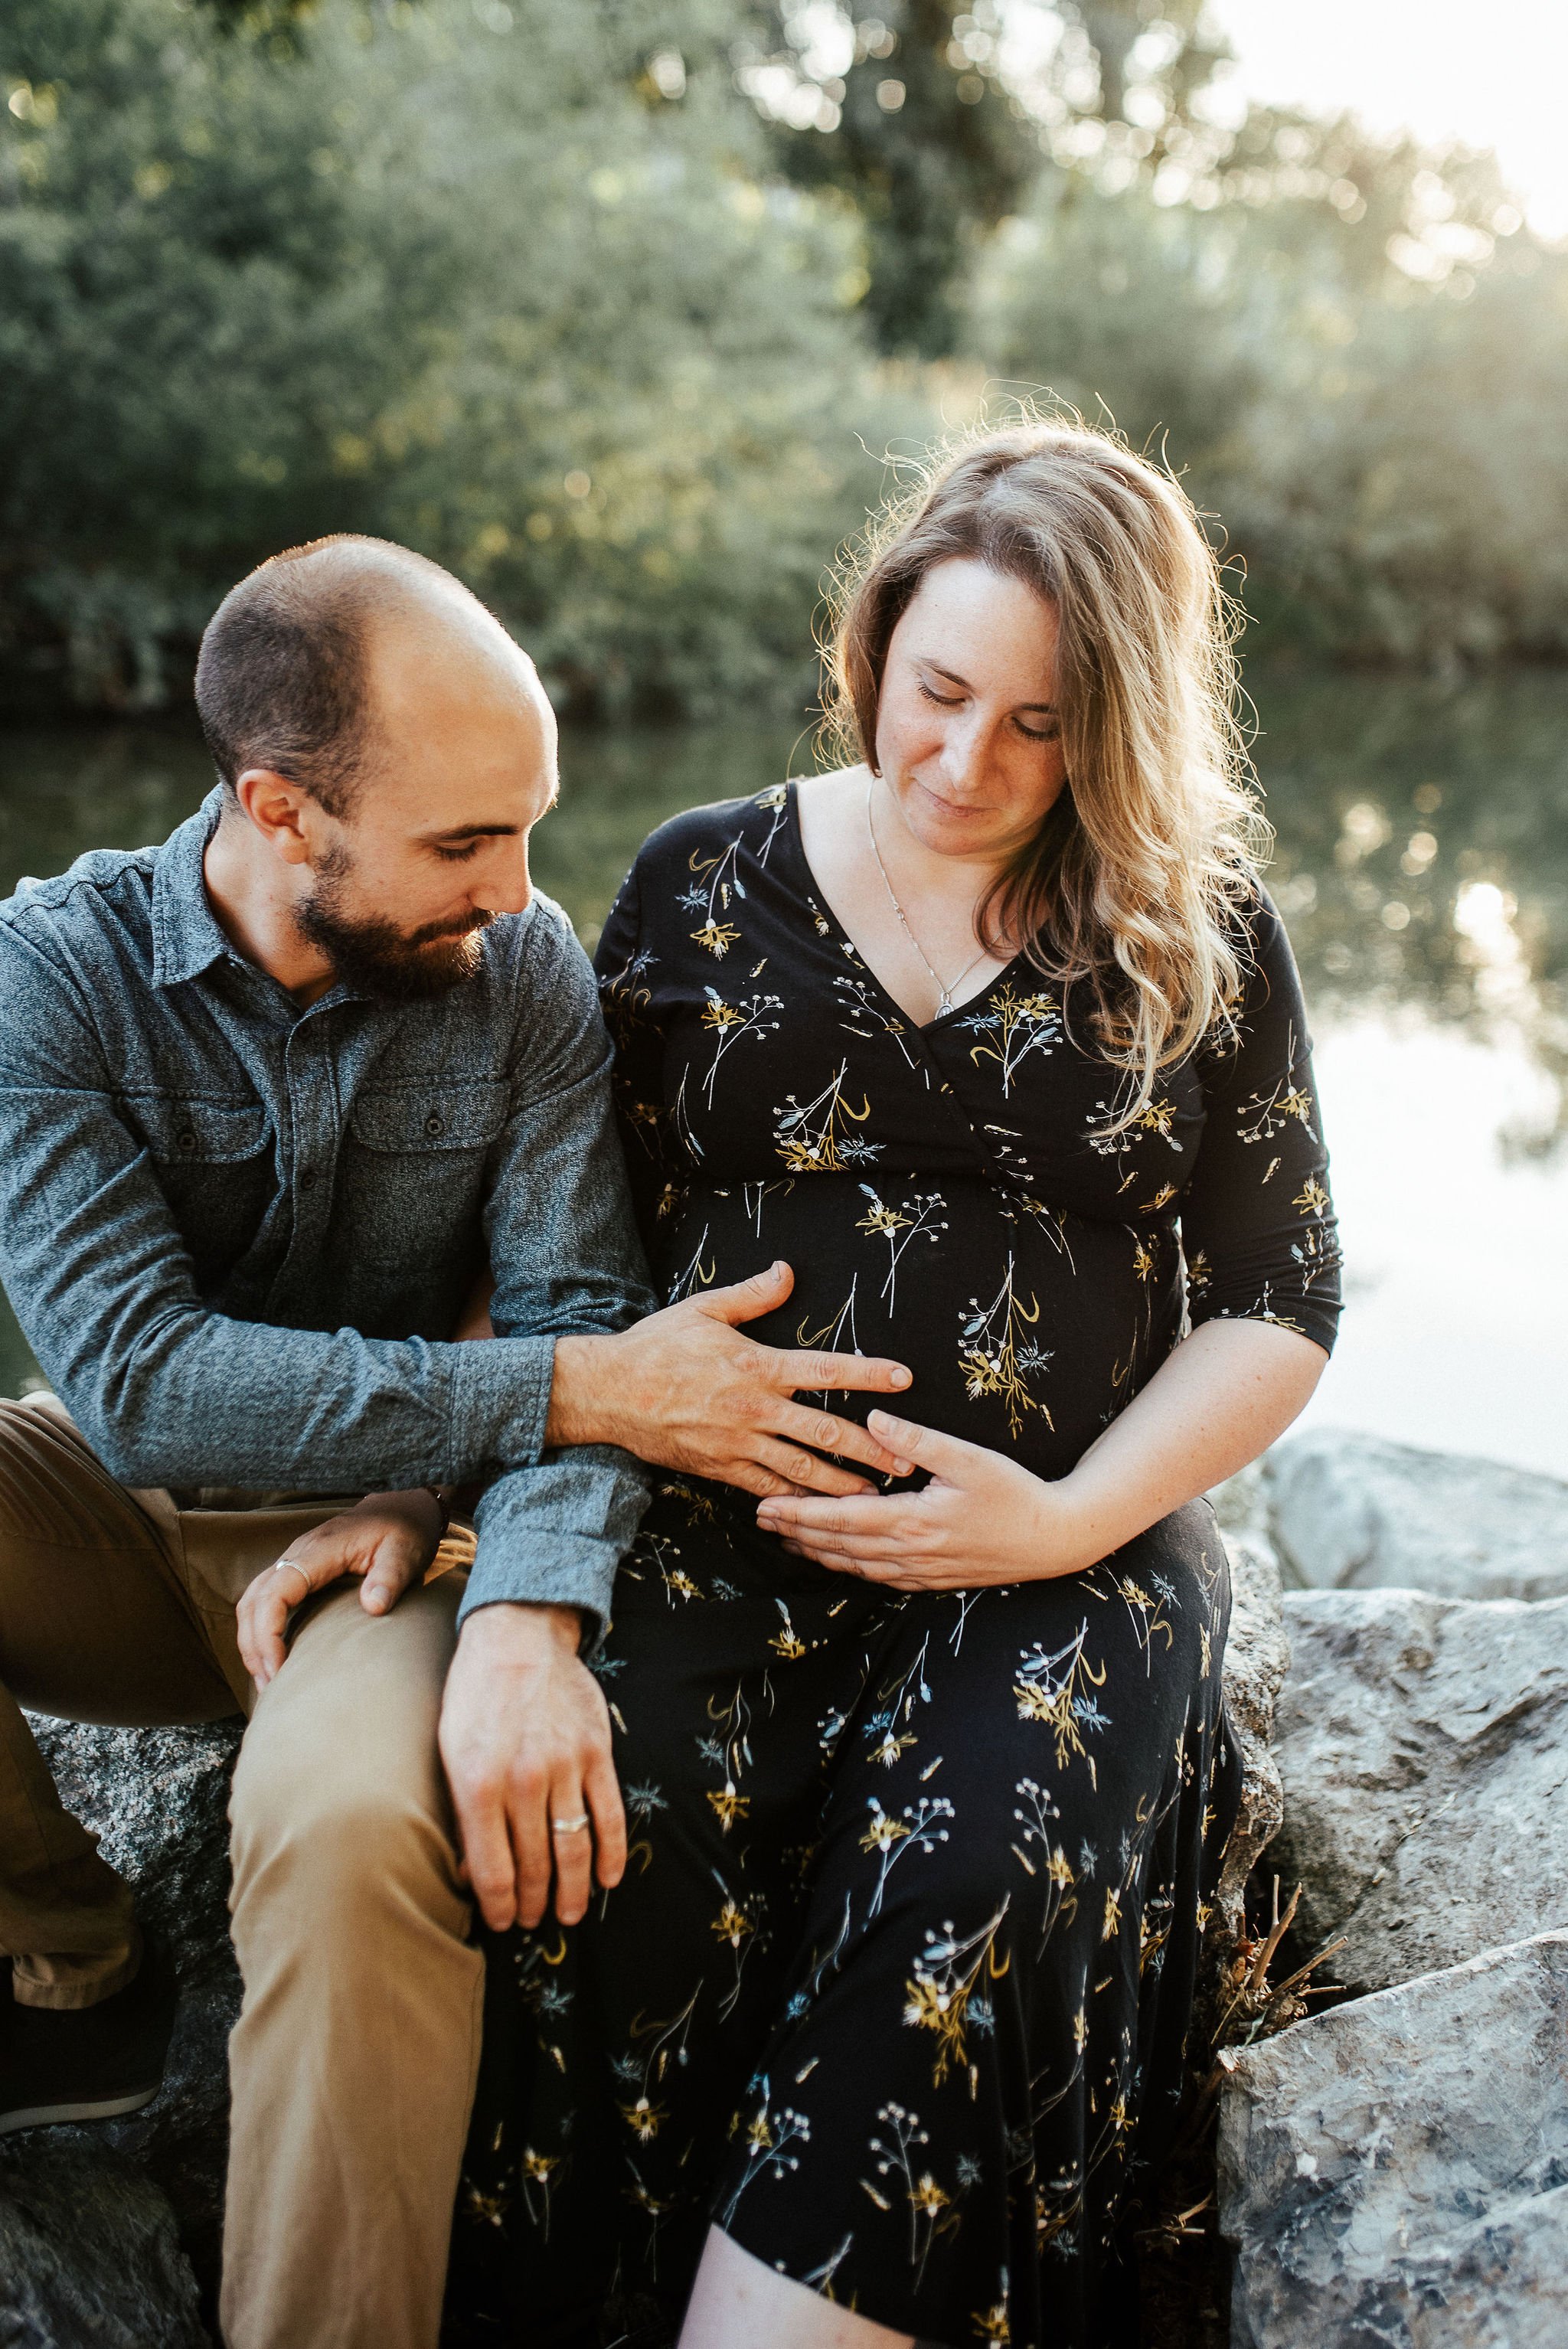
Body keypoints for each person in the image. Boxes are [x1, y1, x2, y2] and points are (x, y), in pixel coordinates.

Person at [433, 423, 1344, 2347]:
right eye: (938, 693)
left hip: (1057, 1572)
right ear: (872, 643)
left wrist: (1071, 1511)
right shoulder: (694, 884)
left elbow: (1276, 1300)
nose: (967, 763)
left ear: (1122, 721)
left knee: (961, 1901)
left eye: (1042, 725)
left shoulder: (1197, 929)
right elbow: (555, 1258)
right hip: (708, 1533)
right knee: (616, 1860)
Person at [0, 536, 916, 2349]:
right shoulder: (50, 975)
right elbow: (141, 1382)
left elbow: (586, 1302)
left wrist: (534, 1602)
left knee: (346, 1828)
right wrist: (562, 1392)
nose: (518, 891)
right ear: (281, 809)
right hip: (125, 1506)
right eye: (461, 843)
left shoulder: (529, 971)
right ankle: (69, 1960)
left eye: (530, 826)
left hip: (390, 1549)